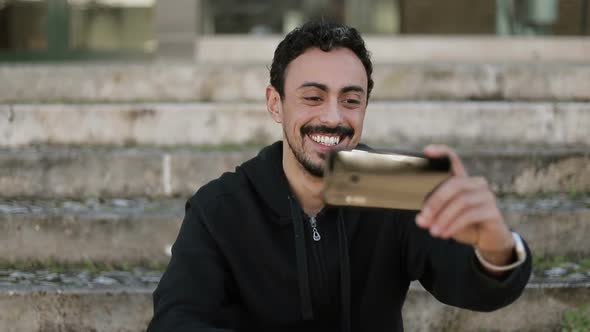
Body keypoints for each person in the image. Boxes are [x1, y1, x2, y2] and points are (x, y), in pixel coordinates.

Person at [147, 21, 531, 332]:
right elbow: (176, 319)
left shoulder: (394, 186)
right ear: (275, 104)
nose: (333, 117)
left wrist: (495, 247)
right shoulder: (220, 206)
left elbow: (473, 285)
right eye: (313, 97)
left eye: (351, 100)